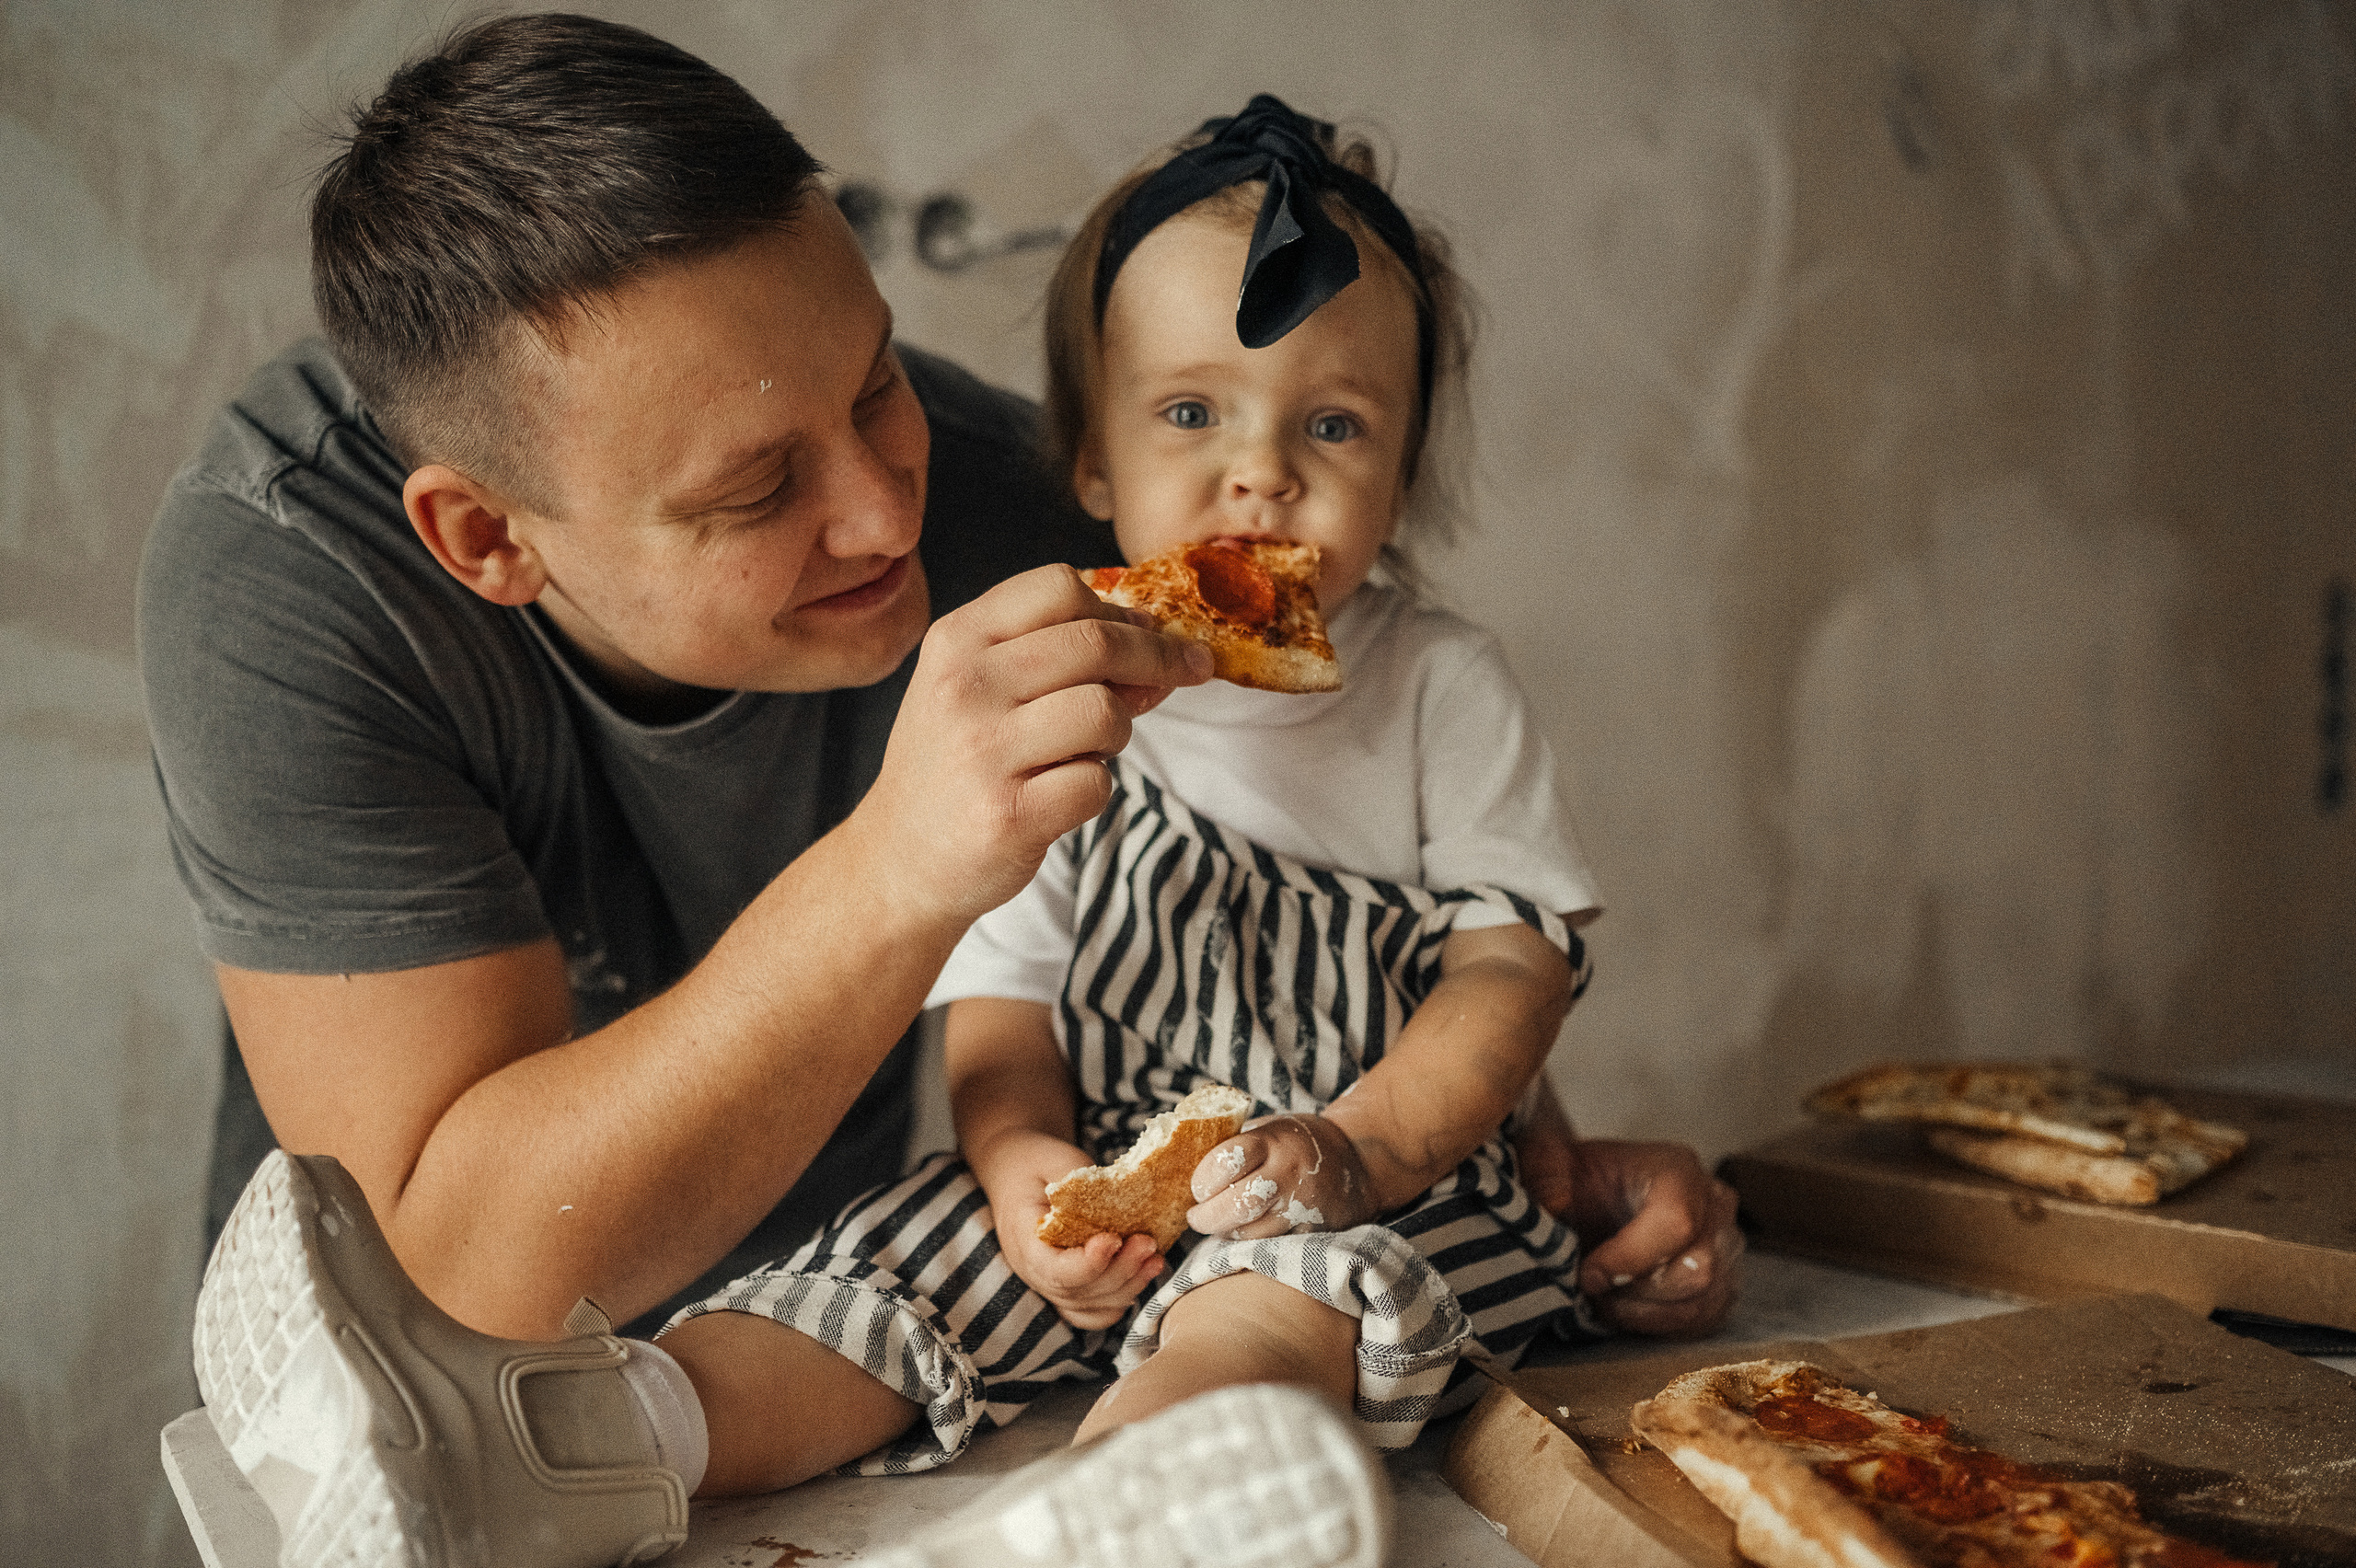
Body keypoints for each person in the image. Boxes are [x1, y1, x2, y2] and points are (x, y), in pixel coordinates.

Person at [156, 17, 1737, 1568]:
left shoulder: (1036, 521)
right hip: (459, 1420)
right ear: (488, 540)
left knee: (1263, 1316)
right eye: (759, 487)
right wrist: (908, 865)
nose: (883, 513)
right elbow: (451, 1276)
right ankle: (521, 1457)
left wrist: (1547, 1168)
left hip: (905, 1454)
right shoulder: (292, 577)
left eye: (873, 383)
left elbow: (1415, 901)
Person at [647, 92, 1728, 1484]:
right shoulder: (1045, 688)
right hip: (1108, 1175)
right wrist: (1025, 1164)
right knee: (875, 1271)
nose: (1261, 475)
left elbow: (1508, 981)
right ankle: (604, 1434)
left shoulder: (1440, 690)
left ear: (1400, 477)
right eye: (1191, 411)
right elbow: (1004, 1005)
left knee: (1271, 1302)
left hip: (1379, 1185)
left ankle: (1157, 1483)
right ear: (1095, 455)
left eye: (1333, 427)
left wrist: (1359, 1152)